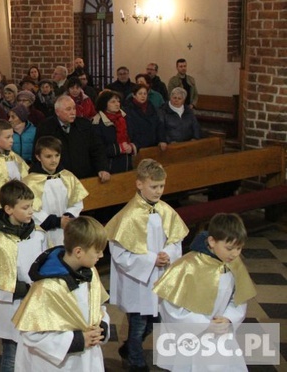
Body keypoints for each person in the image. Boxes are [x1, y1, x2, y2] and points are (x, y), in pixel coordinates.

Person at [105, 159, 189, 372]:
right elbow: (119, 252)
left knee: (156, 318)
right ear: (139, 184)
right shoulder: (129, 215)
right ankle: (136, 361)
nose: (158, 191)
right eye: (154, 186)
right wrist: (151, 259)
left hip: (160, 275)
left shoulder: (165, 210)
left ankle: (128, 349)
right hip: (139, 280)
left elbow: (176, 239)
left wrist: (168, 254)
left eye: (161, 186)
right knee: (139, 322)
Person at [153, 213, 256, 372]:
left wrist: (228, 319)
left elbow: (239, 299)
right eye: (229, 248)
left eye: (239, 248)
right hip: (192, 336)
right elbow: (170, 306)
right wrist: (203, 325)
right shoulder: (187, 266)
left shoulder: (234, 264)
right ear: (212, 241)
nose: (235, 254)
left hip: (221, 334)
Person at [13, 216, 110, 370]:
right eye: (97, 251)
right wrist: (78, 340)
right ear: (78, 251)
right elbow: (31, 334)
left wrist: (102, 327)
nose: (101, 256)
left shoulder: (90, 272)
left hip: (87, 359)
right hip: (58, 363)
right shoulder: (47, 287)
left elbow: (98, 307)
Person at [0, 180, 47, 372]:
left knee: (33, 351)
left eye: (31, 206)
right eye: (25, 207)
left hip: (36, 301)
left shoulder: (38, 234)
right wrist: (22, 289)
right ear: (8, 209)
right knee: (12, 353)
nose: (31, 211)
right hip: (11, 305)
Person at [23, 136, 87, 248]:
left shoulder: (68, 176)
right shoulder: (30, 182)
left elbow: (76, 202)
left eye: (57, 155)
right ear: (38, 157)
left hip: (66, 228)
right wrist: (56, 222)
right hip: (42, 231)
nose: (54, 160)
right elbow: (29, 208)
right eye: (48, 156)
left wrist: (68, 217)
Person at [38, 95, 110, 181]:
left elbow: (97, 149)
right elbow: (39, 154)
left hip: (86, 178)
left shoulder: (85, 125)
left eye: (74, 108)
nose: (73, 112)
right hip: (58, 180)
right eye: (68, 109)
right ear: (57, 112)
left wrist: (102, 168)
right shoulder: (45, 127)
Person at [0, 120, 29, 207]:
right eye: (7, 137)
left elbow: (26, 180)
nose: (12, 140)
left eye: (12, 136)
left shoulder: (16, 158)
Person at [91, 90, 136, 174]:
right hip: (109, 166)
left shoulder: (125, 117)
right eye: (113, 102)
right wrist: (119, 148)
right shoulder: (97, 122)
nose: (117, 104)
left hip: (127, 162)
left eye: (118, 101)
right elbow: (98, 148)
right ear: (104, 104)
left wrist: (131, 147)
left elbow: (135, 136)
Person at [124, 83, 164, 151]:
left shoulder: (151, 107)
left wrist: (162, 140)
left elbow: (158, 124)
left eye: (145, 94)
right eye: (140, 94)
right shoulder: (128, 109)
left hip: (153, 145)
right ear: (134, 95)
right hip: (138, 146)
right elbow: (130, 130)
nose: (143, 96)